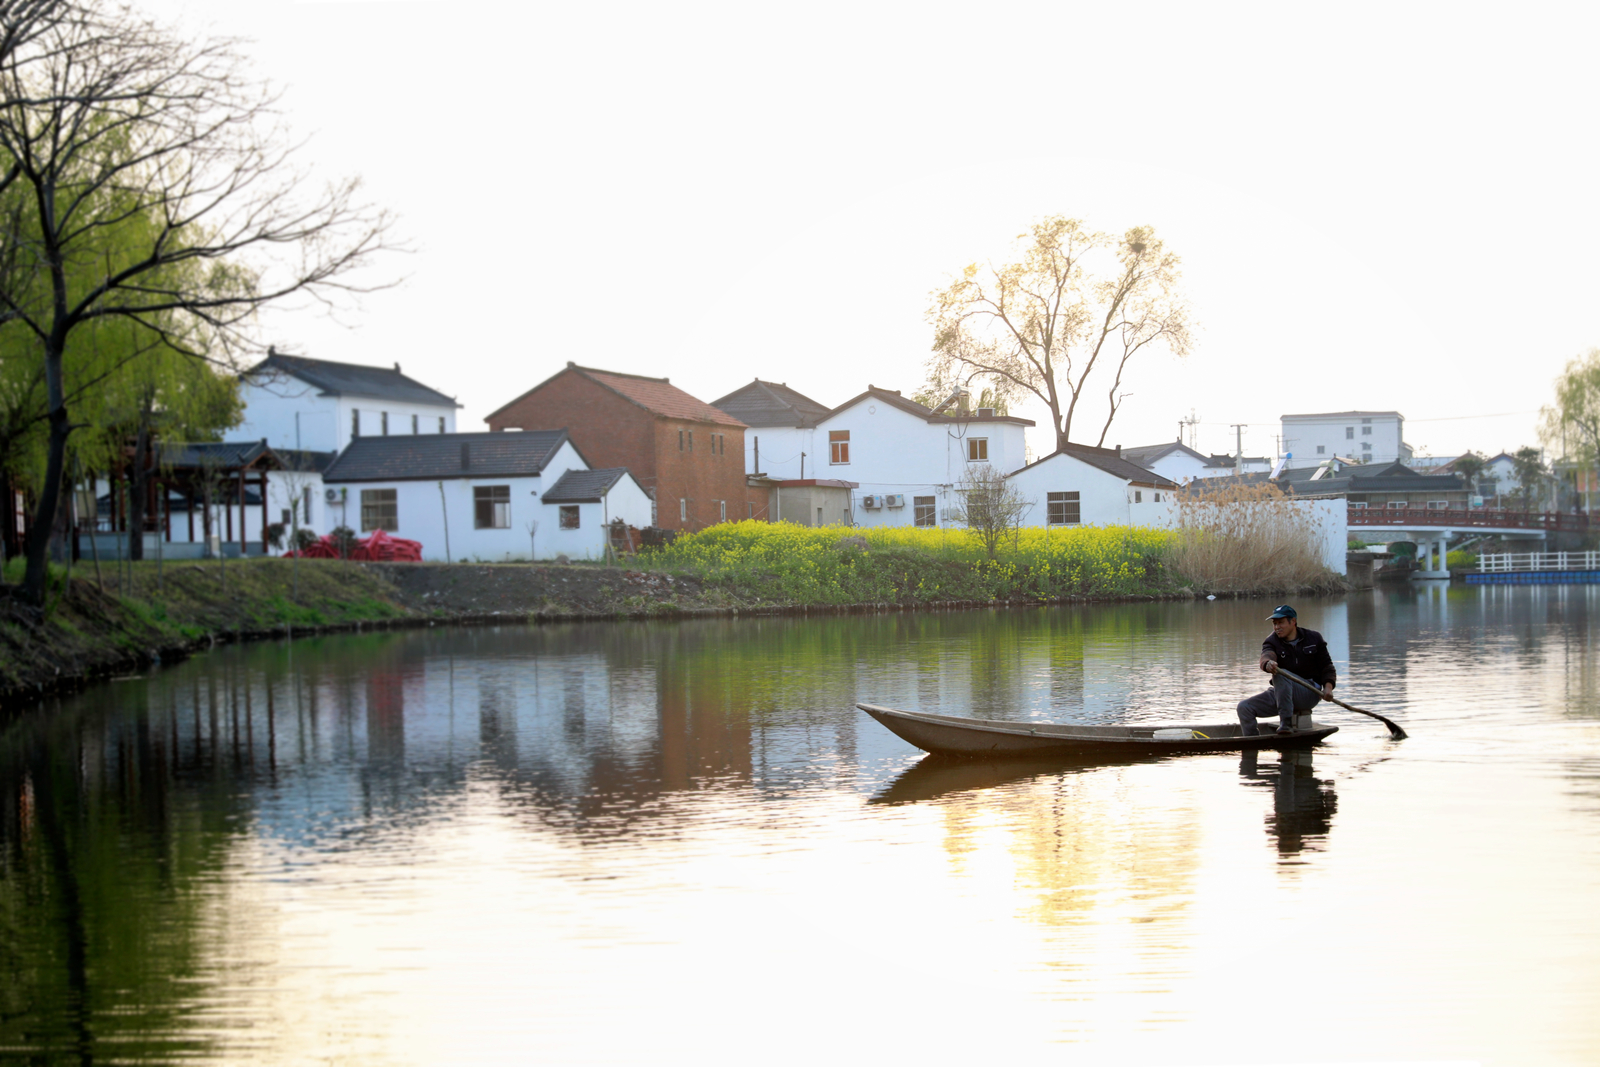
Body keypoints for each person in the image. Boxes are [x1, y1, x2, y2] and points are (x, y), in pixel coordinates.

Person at [1236, 604, 1336, 736]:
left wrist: (1328, 688)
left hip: (1309, 692)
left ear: (1293, 621)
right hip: (1282, 693)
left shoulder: (1313, 638)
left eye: (1281, 623)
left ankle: (1286, 723)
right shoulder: (1271, 641)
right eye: (1275, 623)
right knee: (1244, 707)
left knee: (1280, 675)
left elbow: (1327, 666)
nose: (1277, 627)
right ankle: (1252, 742)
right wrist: (1268, 663)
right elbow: (1266, 656)